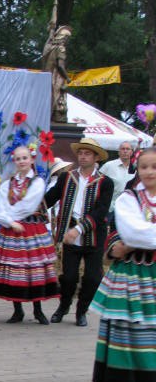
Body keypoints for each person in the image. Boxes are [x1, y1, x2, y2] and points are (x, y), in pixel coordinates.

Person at [91, 147, 156, 382]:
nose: (149, 172)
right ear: (136, 170)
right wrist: (129, 242)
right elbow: (130, 232)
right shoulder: (129, 199)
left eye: (154, 166)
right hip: (132, 276)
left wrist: (137, 240)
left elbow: (141, 236)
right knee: (128, 334)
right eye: (144, 167)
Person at [0, 145, 59, 324]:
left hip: (30, 229)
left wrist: (9, 219)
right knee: (14, 270)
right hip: (12, 230)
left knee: (34, 269)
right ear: (14, 161)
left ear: (32, 159)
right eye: (18, 159)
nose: (22, 161)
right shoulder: (7, 184)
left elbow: (28, 206)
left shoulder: (37, 182)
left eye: (25, 158)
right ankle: (18, 310)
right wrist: (9, 222)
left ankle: (38, 310)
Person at [45, 137, 114, 327]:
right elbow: (49, 199)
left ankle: (81, 311)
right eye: (81, 153)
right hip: (69, 233)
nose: (83, 157)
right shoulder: (66, 177)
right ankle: (63, 306)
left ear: (96, 157)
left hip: (93, 235)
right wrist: (29, 207)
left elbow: (100, 211)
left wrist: (78, 229)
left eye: (87, 154)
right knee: (68, 277)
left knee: (93, 277)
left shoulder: (106, 182)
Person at [100, 141, 135, 224]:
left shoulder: (135, 169)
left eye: (127, 149)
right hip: (109, 208)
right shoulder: (109, 166)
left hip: (127, 210)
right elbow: (98, 183)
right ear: (119, 152)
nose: (125, 151)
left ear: (131, 152)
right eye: (123, 149)